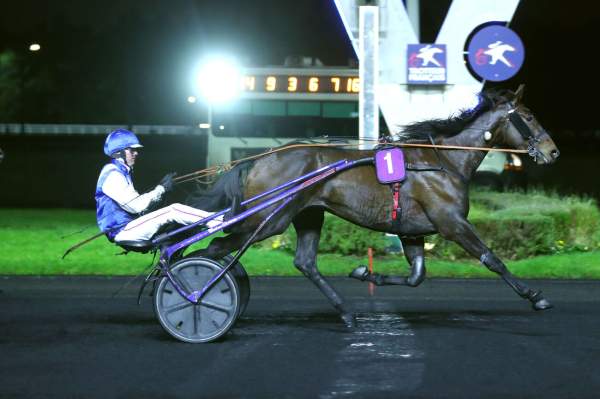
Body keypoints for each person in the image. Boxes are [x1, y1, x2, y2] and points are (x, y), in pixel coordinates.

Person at [95, 128, 222, 244]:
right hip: (122, 230)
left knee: (173, 212)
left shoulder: (120, 172)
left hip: (128, 226)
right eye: (131, 150)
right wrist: (161, 189)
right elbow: (137, 206)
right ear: (118, 152)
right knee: (174, 210)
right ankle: (217, 220)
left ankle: (214, 219)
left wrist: (161, 189)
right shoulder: (112, 175)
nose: (136, 153)